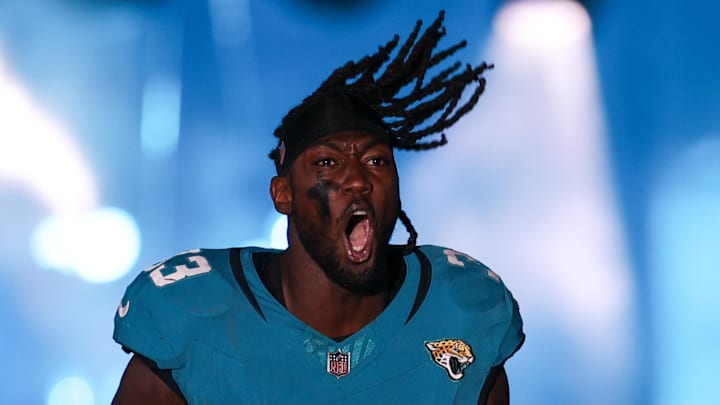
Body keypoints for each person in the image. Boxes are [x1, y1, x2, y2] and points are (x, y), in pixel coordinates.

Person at [112, 11, 524, 405]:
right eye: (327, 162)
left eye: (377, 161)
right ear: (282, 194)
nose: (358, 179)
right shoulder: (193, 310)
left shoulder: (462, 307)